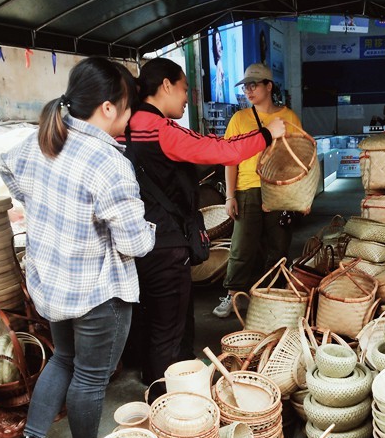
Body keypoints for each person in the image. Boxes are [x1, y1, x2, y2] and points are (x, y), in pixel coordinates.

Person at [0, 58, 156, 438]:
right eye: (126, 108)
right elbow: (134, 242)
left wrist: (39, 207)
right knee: (90, 374)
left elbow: (6, 168)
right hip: (97, 290)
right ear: (107, 107)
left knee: (63, 359)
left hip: (53, 283)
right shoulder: (107, 161)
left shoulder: (39, 140)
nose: (127, 118)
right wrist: (152, 231)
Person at [121, 58, 285, 402]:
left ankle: (163, 379)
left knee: (152, 318)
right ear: (165, 86)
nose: (185, 97)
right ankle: (168, 399)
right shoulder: (158, 129)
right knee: (171, 326)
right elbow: (217, 150)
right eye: (183, 89)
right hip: (164, 241)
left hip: (138, 240)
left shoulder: (126, 128)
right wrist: (268, 134)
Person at [213, 63, 303, 319]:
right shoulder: (239, 119)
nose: (249, 91)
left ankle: (271, 296)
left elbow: (300, 157)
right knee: (242, 246)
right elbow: (230, 160)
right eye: (246, 86)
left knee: (278, 245)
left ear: (269, 86)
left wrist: (298, 196)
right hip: (247, 189)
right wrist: (230, 196)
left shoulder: (290, 117)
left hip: (280, 191)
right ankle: (233, 296)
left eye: (254, 85)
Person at [212, 28, 226, 102]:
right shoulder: (219, 64)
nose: (220, 45)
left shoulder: (220, 64)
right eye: (217, 43)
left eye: (220, 41)